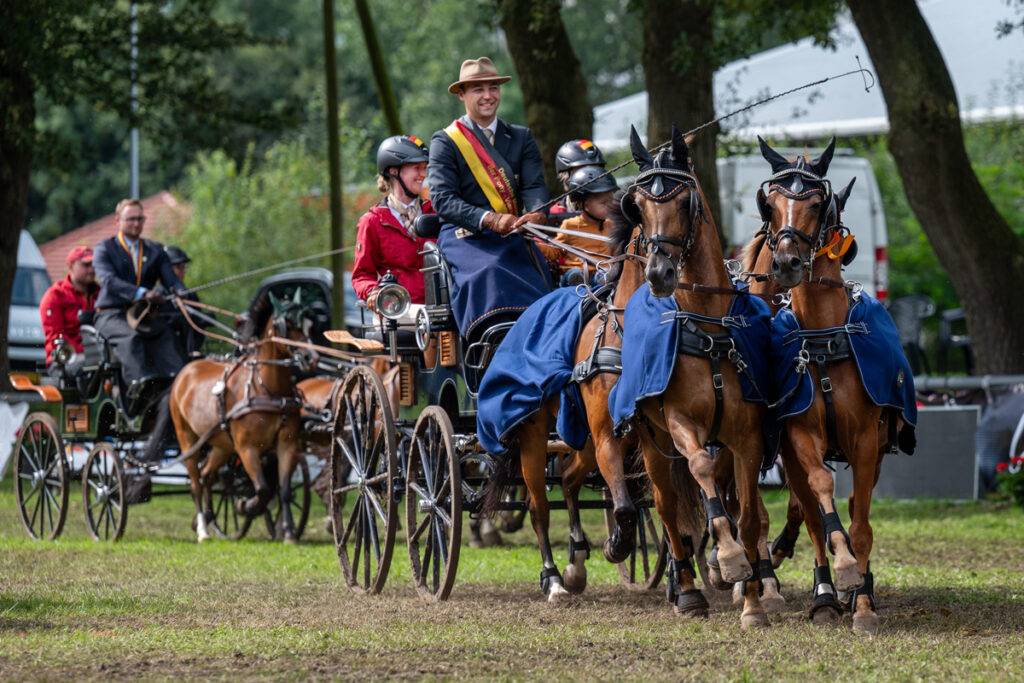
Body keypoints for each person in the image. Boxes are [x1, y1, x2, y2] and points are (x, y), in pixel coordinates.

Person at [427, 56, 552, 339]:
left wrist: (535, 213)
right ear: (462, 95)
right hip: (466, 236)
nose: (487, 96)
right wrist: (490, 219)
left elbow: (534, 186)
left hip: (516, 231)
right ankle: (488, 346)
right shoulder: (445, 142)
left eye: (493, 87)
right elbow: (443, 199)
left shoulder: (521, 137)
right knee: (492, 271)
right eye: (477, 89)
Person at [92, 198, 186, 397]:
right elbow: (108, 280)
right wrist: (142, 293)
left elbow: (171, 281)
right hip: (112, 314)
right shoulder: (104, 249)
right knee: (131, 338)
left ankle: (176, 384)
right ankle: (138, 388)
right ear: (118, 220)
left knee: (166, 335)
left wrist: (180, 292)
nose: (136, 223)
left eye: (140, 219)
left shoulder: (155, 250)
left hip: (144, 314)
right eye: (131, 219)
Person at [351, 135, 435, 312]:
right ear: (394, 171)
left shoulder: (435, 213)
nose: (423, 174)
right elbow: (361, 275)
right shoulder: (372, 221)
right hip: (399, 314)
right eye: (416, 168)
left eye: (425, 168)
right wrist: (374, 292)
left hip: (440, 311)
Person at [538, 165, 618, 286]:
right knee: (574, 273)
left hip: (602, 273)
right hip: (577, 272)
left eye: (611, 201)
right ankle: (579, 281)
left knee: (607, 273)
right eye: (604, 203)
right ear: (585, 205)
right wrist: (535, 245)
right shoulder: (570, 225)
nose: (610, 206)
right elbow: (555, 251)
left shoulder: (611, 225)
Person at [39, 246, 98, 366]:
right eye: (86, 265)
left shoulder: (101, 294)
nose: (91, 269)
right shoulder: (55, 295)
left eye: (93, 264)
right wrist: (85, 351)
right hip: (64, 358)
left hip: (96, 355)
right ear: (71, 266)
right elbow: (56, 336)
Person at [164, 245, 205, 357]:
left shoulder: (190, 295)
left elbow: (198, 328)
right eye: (178, 267)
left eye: (184, 267)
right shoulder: (157, 297)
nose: (182, 271)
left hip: (189, 352)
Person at [549, 138, 607, 216]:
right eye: (583, 171)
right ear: (565, 176)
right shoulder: (555, 214)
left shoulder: (615, 209)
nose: (592, 176)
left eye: (596, 169)